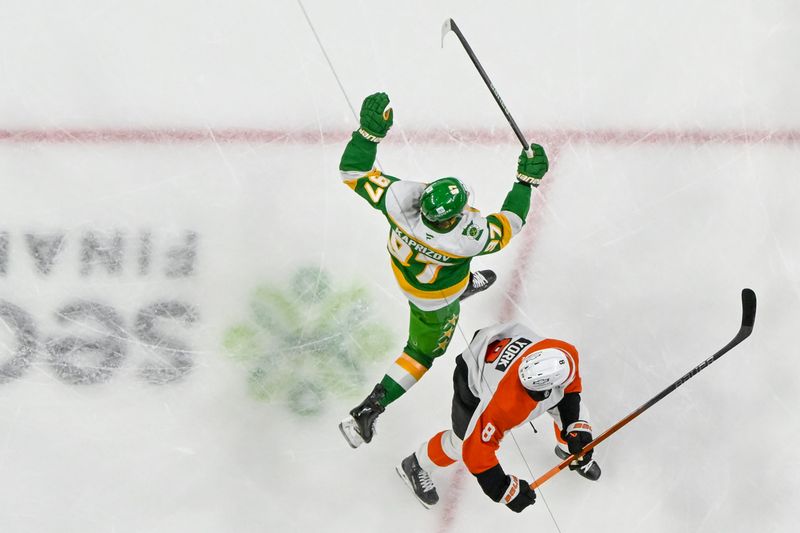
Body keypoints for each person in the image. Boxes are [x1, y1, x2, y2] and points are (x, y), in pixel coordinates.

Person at [337, 92, 549, 449]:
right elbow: (510, 223)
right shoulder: (468, 238)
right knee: (421, 354)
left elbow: (354, 171)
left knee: (448, 270)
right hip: (434, 301)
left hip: (406, 269)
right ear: (451, 218)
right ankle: (370, 408)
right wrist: (525, 183)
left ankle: (463, 282)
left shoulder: (400, 198)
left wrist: (368, 134)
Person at [396, 321, 601, 511]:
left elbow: (570, 391)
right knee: (461, 443)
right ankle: (416, 464)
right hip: (472, 374)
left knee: (575, 410)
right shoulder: (504, 404)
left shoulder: (566, 353)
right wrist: (503, 490)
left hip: (501, 346)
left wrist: (575, 431)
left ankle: (569, 449)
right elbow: (476, 452)